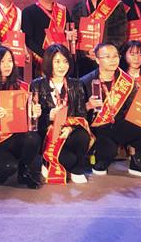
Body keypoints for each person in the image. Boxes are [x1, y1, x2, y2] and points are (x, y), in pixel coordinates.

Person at [81, 43, 141, 178]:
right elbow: (75, 112)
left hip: (118, 124)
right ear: (97, 60)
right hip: (96, 127)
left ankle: (138, 161)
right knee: (109, 149)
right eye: (107, 57)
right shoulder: (85, 81)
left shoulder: (126, 81)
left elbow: (133, 106)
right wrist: (88, 105)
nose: (112, 60)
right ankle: (100, 160)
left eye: (115, 56)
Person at [0, 45, 42, 189]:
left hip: (15, 136)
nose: (7, 65)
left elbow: (27, 118)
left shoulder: (20, 86)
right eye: (2, 61)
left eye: (10, 61)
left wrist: (34, 113)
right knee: (8, 167)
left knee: (33, 138)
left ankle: (24, 171)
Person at [30, 44, 93, 184]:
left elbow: (82, 115)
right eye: (57, 61)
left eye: (65, 61)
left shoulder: (76, 84)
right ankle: (47, 162)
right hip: (48, 134)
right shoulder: (36, 85)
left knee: (83, 135)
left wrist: (70, 128)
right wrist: (48, 117)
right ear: (49, 62)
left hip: (68, 131)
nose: (62, 66)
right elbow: (32, 120)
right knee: (68, 159)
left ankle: (77, 170)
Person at [71, 0, 128, 76]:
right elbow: (75, 34)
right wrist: (86, 52)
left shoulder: (116, 6)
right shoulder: (78, 7)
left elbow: (120, 35)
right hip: (85, 59)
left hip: (108, 59)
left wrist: (103, 51)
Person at [21, 0, 76, 79]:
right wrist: (47, 56)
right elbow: (27, 39)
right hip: (40, 62)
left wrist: (71, 36)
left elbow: (68, 32)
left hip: (61, 61)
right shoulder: (28, 12)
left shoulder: (63, 11)